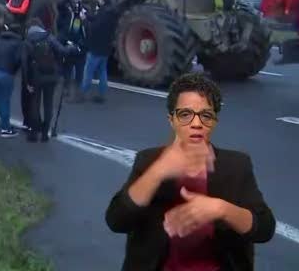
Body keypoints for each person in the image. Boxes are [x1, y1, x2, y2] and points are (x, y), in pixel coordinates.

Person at [105, 73, 276, 270]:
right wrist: (156, 172)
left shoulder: (236, 165)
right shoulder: (148, 160)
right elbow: (116, 221)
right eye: (185, 114)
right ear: (171, 120)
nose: (196, 123)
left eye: (206, 115)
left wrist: (221, 209)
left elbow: (265, 228)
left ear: (214, 122)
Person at [23, 17, 78, 141]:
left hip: (36, 77)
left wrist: (27, 82)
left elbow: (25, 63)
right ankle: (45, 132)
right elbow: (62, 51)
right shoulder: (49, 37)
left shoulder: (28, 40)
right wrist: (72, 48)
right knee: (48, 104)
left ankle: (34, 132)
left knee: (35, 105)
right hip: (52, 75)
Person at [82, 0, 117, 103]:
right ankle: (102, 94)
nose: (99, 0)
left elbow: (95, 28)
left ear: (104, 0)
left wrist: (84, 20)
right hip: (106, 48)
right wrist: (88, 15)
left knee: (88, 71)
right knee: (102, 72)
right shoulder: (111, 12)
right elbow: (97, 19)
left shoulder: (103, 13)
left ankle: (82, 93)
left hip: (96, 47)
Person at [57, 0, 88, 102]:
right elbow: (60, 5)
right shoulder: (67, 14)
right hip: (69, 46)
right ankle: (67, 89)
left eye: (77, 2)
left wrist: (80, 46)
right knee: (67, 70)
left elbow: (88, 32)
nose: (75, 5)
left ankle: (77, 94)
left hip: (80, 48)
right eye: (73, 2)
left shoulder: (85, 15)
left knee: (79, 72)